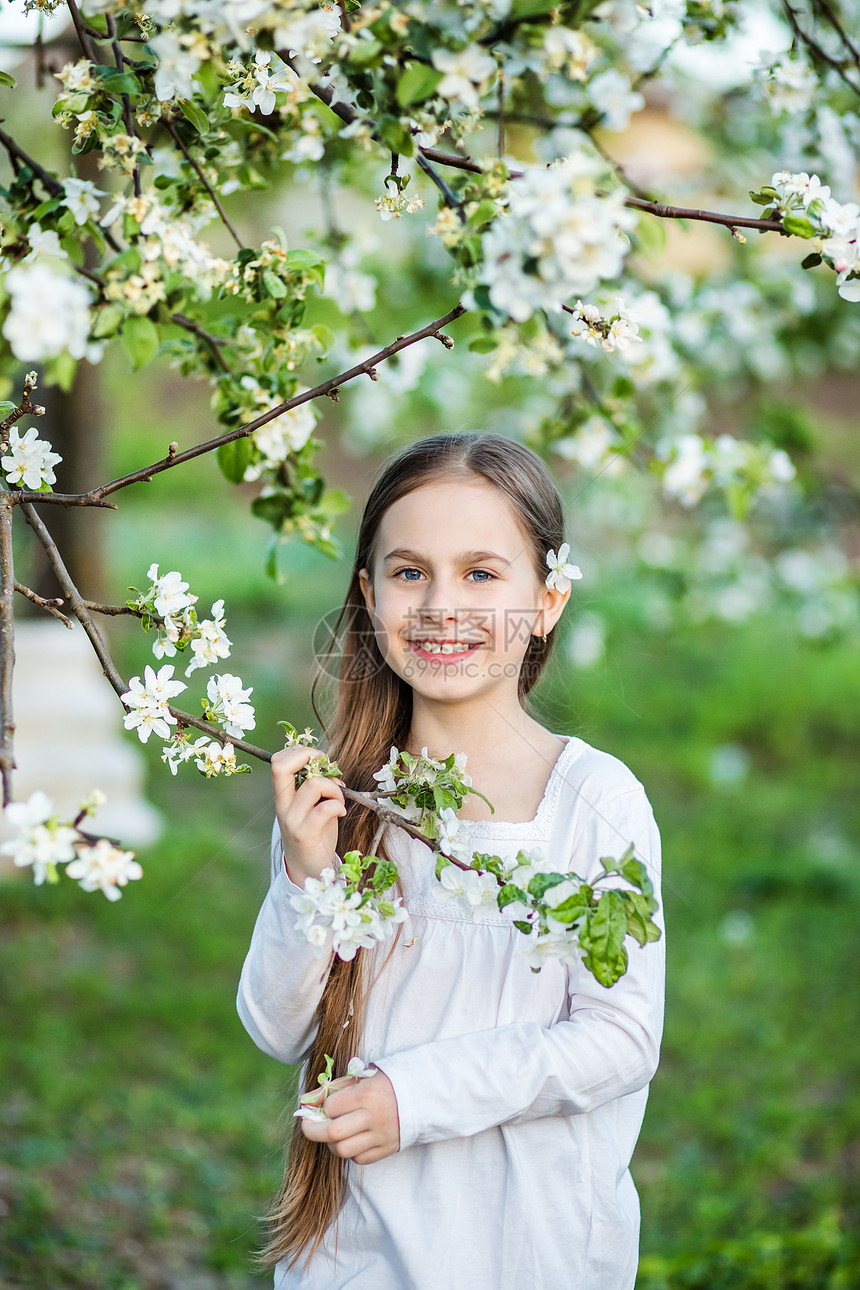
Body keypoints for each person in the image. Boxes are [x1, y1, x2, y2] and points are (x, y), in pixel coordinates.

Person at [237, 431, 665, 1290]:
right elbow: (278, 1028)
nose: (440, 605)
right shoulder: (344, 799)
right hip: (357, 1253)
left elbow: (620, 1038)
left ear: (547, 599)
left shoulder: (591, 802)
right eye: (408, 572)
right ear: (368, 596)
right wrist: (306, 874)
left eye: (481, 573)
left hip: (528, 1249)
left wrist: (416, 1097)